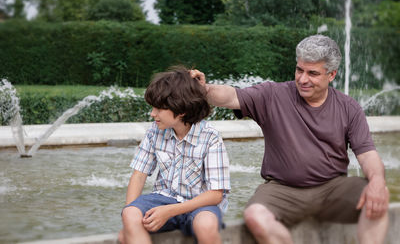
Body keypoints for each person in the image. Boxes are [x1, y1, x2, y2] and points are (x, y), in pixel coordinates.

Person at [190, 34, 389, 244]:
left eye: (312, 73)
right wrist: (204, 89)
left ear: (331, 75)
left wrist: (377, 181)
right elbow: (231, 96)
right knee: (255, 216)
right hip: (282, 189)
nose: (303, 79)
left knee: (378, 195)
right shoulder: (273, 95)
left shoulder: (349, 108)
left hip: (333, 187)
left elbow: (367, 155)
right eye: (299, 70)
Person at [119, 66, 231, 244]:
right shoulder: (154, 132)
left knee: (206, 225)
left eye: (158, 109)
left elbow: (215, 194)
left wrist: (171, 210)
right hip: (162, 199)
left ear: (181, 111)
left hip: (199, 205)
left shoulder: (210, 137)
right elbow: (138, 176)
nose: (152, 114)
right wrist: (129, 220)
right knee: (130, 214)